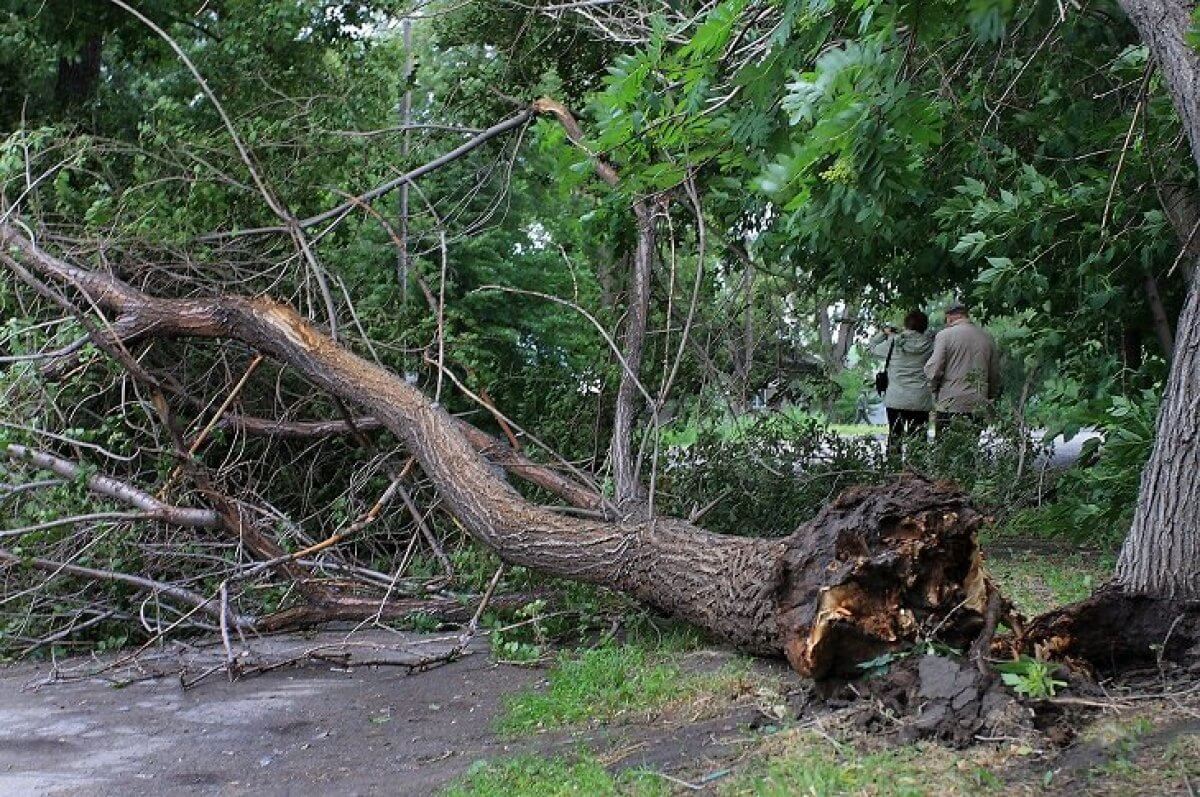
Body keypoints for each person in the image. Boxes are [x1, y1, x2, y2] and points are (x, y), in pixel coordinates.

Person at [923, 300, 1000, 430]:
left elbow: (934, 369)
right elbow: (994, 373)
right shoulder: (986, 337)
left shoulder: (945, 335)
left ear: (950, 316)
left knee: (947, 447)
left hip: (950, 402)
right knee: (970, 447)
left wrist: (933, 389)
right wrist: (989, 396)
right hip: (978, 403)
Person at [869, 310, 934, 455]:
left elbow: (872, 348)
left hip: (896, 398)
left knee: (895, 436)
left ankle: (894, 471)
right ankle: (916, 473)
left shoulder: (894, 342)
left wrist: (884, 333)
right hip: (920, 399)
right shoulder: (930, 345)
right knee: (918, 441)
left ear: (906, 324)